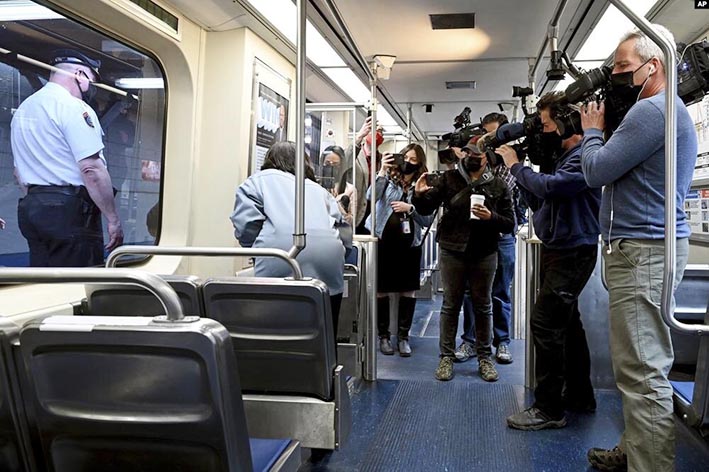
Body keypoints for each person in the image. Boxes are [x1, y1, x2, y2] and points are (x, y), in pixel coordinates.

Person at [580, 25, 697, 472]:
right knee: (638, 363)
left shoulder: (652, 111)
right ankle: (634, 448)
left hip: (644, 250)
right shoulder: (664, 109)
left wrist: (593, 131)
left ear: (655, 65)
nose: (618, 77)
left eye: (625, 68)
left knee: (642, 371)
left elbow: (596, 171)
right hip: (647, 247)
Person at [497, 92, 601, 431]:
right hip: (561, 248)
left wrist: (517, 165)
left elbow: (554, 188)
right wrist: (520, 177)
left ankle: (549, 408)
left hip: (573, 251)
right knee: (568, 324)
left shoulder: (583, 156)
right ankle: (580, 395)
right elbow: (540, 196)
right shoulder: (563, 157)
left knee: (544, 322)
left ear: (566, 121)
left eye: (545, 124)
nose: (543, 131)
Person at [412, 141, 514, 382]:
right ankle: (446, 356)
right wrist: (417, 195)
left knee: (483, 306)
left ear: (486, 157)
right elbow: (427, 209)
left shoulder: (498, 185)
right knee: (450, 305)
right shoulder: (448, 179)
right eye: (467, 152)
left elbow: (509, 222)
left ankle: (484, 357)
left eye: (476, 153)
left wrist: (491, 217)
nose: (471, 156)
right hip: (451, 249)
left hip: (485, 251)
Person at [11, 49, 123, 267]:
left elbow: (19, 173)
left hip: (31, 207)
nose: (90, 88)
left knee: (42, 279)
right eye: (91, 80)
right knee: (75, 283)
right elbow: (91, 168)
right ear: (80, 75)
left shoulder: (25, 109)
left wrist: (41, 200)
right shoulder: (74, 107)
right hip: (69, 211)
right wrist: (113, 219)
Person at [230, 141, 349, 331]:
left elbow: (245, 226)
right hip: (329, 265)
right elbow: (344, 231)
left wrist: (261, 251)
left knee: (277, 333)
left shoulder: (255, 182)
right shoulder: (319, 190)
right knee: (324, 334)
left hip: (280, 258)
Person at [456, 113, 521, 365]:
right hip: (475, 237)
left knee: (500, 292)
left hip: (502, 235)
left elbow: (499, 189)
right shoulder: (473, 161)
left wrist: (488, 161)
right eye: (485, 137)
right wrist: (465, 163)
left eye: (493, 137)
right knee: (471, 293)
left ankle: (502, 342)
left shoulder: (511, 160)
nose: (487, 142)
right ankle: (470, 341)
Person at [366, 143, 434, 357]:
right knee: (381, 289)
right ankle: (383, 336)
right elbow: (371, 197)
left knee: (408, 289)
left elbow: (427, 219)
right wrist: (381, 172)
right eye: (405, 157)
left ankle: (404, 337)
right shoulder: (387, 180)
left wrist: (410, 208)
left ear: (420, 163)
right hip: (384, 242)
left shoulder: (423, 185)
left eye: (413, 159)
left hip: (409, 246)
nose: (408, 162)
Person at [348, 116, 383, 232]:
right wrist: (359, 137)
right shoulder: (355, 157)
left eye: (380, 132)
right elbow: (344, 162)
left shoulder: (383, 161)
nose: (377, 134)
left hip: (375, 215)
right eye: (374, 130)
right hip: (357, 212)